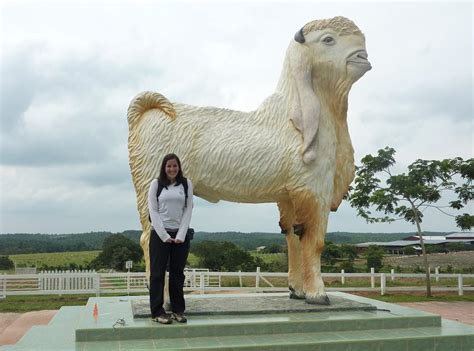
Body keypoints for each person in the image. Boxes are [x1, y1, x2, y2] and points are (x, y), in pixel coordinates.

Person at [148, 153, 193, 324]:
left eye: (175, 166)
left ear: (179, 167)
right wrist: (164, 236)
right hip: (160, 235)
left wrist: (181, 235)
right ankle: (157, 312)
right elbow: (153, 211)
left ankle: (178, 310)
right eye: (169, 166)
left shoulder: (187, 184)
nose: (172, 169)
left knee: (177, 274)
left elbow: (188, 210)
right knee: (157, 274)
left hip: (180, 236)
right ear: (164, 168)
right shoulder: (156, 184)